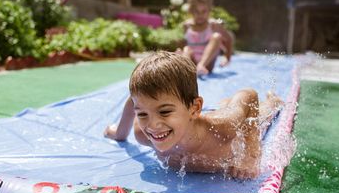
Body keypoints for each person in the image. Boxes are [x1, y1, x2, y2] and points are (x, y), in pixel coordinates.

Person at [104, 51, 282, 179]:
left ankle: (272, 101)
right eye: (142, 114)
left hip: (229, 125)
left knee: (261, 120)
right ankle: (223, 103)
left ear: (195, 107)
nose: (152, 125)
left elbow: (249, 95)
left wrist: (251, 153)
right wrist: (120, 133)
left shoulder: (223, 127)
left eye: (164, 112)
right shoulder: (143, 135)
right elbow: (132, 102)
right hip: (190, 119)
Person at [181, 0, 234, 75]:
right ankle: (183, 70)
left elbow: (229, 39)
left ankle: (201, 65)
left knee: (216, 37)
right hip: (191, 63)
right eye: (196, 11)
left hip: (207, 65)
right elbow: (182, 44)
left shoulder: (213, 25)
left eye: (203, 11)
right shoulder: (187, 25)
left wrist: (227, 58)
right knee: (186, 49)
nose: (200, 15)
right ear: (191, 11)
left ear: (209, 10)